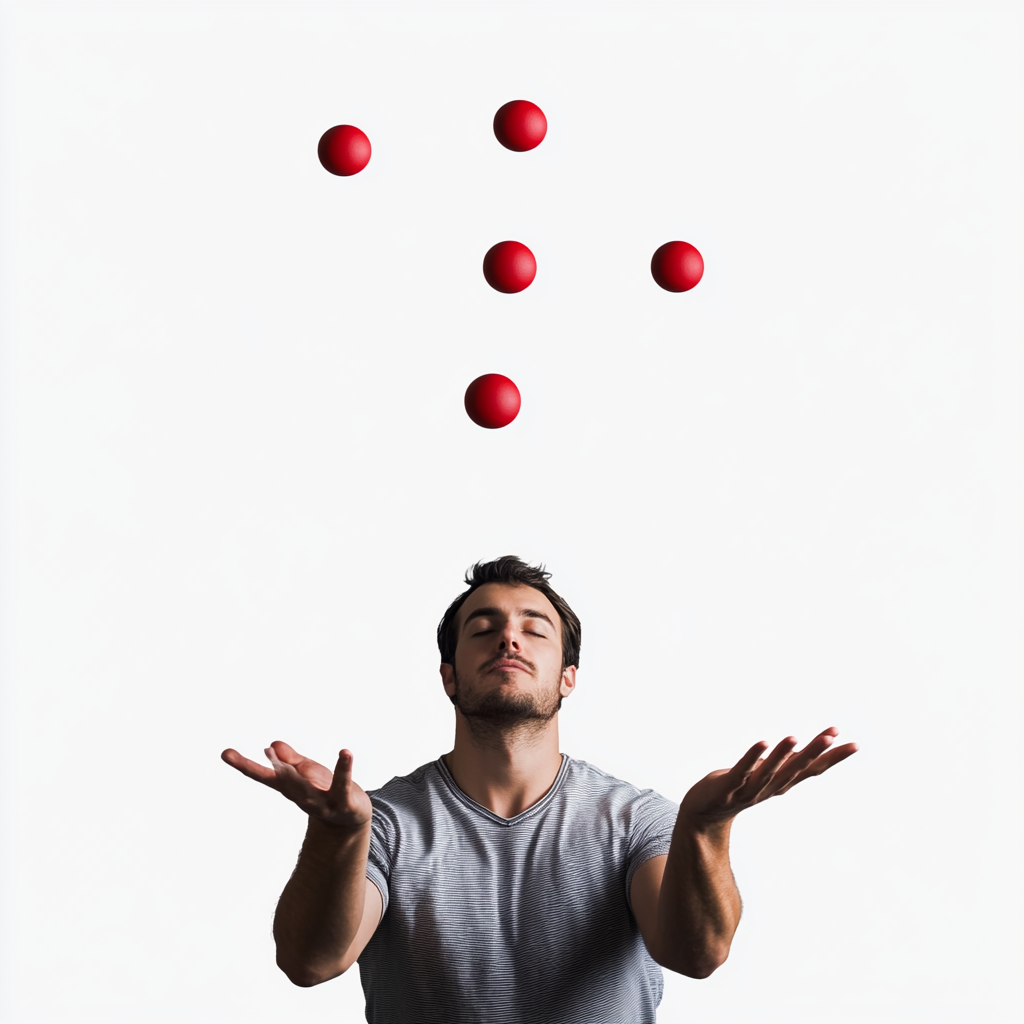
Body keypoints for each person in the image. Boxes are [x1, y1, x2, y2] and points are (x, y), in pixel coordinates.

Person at [222, 556, 858, 1024]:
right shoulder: (386, 821)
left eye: (534, 627)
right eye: (484, 627)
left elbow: (696, 953)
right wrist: (338, 835)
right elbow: (309, 963)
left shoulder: (636, 819)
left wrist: (705, 829)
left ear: (568, 677)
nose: (509, 637)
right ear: (449, 676)